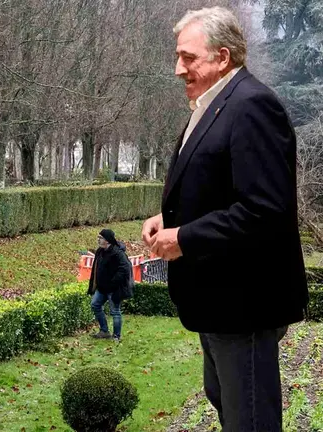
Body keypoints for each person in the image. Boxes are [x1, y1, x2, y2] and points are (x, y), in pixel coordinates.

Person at [141, 7, 308, 431]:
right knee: (233, 412)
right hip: (220, 303)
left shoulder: (252, 106)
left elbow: (265, 210)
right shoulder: (216, 103)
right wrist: (170, 216)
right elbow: (225, 186)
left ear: (223, 56)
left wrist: (185, 237)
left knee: (249, 421)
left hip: (244, 304)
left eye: (189, 58)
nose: (178, 68)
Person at [87, 229, 131, 342]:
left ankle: (116, 336)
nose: (98, 240)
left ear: (108, 240)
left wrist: (114, 282)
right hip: (101, 288)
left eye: (100, 238)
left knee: (115, 311)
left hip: (114, 289)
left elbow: (125, 269)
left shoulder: (118, 253)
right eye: (98, 237)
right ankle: (104, 331)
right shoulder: (99, 251)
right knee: (95, 305)